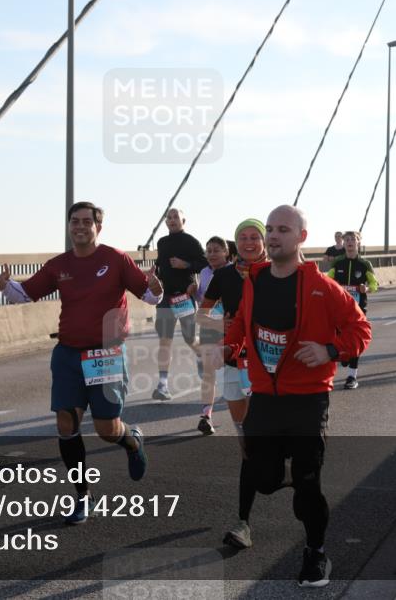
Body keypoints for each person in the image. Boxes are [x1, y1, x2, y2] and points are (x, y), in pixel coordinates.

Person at [221, 205, 371, 588]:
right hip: (265, 397)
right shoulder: (255, 280)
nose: (273, 236)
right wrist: (229, 346)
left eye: (283, 230)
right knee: (263, 478)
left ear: (301, 237)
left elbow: (361, 329)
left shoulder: (323, 287)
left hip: (308, 399)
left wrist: (330, 350)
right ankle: (288, 474)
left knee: (308, 488)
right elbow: (242, 321)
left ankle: (316, 553)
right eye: (270, 229)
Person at [0, 202, 161, 523]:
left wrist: (156, 288)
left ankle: (131, 440)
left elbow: (150, 296)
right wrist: (5, 287)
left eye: (87, 221)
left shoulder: (116, 259)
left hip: (105, 355)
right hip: (68, 354)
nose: (80, 226)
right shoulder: (59, 265)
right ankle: (83, 495)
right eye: (74, 221)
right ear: (69, 226)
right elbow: (25, 294)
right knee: (66, 425)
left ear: (99, 227)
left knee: (106, 429)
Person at [196, 219, 270, 549]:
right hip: (233, 361)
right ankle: (245, 523)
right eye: (243, 237)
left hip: (267, 363)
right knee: (246, 442)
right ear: (234, 244)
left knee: (262, 438)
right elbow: (202, 314)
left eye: (255, 237)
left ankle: (245, 520)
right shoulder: (224, 276)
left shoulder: (277, 272)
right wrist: (220, 323)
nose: (249, 242)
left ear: (264, 241)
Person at [153, 208, 207, 401]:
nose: (172, 219)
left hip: (184, 297)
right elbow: (161, 266)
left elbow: (204, 264)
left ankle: (201, 355)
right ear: (166, 222)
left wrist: (186, 265)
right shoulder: (162, 242)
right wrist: (154, 275)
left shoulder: (191, 241)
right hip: (165, 298)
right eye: (169, 217)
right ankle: (163, 385)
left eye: (176, 217)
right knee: (164, 340)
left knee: (189, 339)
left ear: (183, 220)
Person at [325, 231, 378, 389]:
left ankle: (352, 377)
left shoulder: (365, 264)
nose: (349, 242)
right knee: (338, 338)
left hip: (358, 308)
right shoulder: (338, 262)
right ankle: (345, 356)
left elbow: (374, 285)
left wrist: (366, 288)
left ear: (358, 242)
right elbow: (328, 281)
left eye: (353, 239)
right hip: (339, 308)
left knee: (355, 341)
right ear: (343, 243)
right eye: (346, 239)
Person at [194, 236, 232, 435]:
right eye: (208, 251)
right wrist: (194, 292)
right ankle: (206, 416)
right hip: (210, 326)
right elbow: (203, 301)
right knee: (209, 373)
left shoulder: (235, 272)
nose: (212, 254)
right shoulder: (204, 272)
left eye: (216, 250)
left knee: (237, 373)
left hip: (232, 328)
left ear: (226, 252)